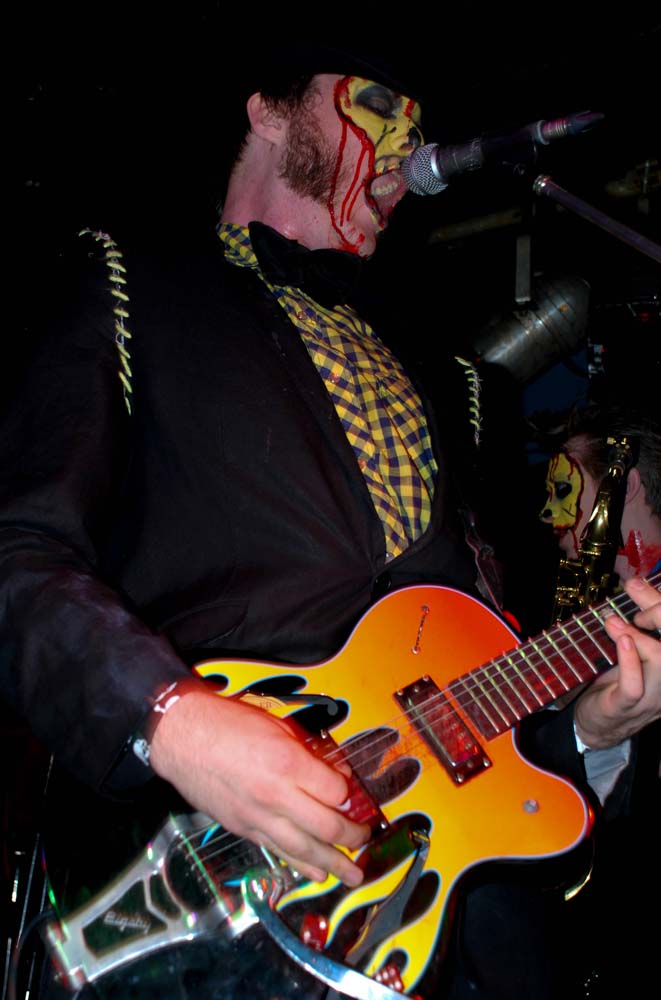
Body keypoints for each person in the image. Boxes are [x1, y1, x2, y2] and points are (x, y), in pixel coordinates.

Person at [2, 47, 659, 1000]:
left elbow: (475, 697)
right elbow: (20, 552)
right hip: (199, 888)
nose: (409, 142)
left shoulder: (461, 386)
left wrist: (590, 735)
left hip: (469, 940)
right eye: (380, 103)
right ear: (268, 109)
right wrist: (169, 719)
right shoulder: (132, 283)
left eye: (420, 123)